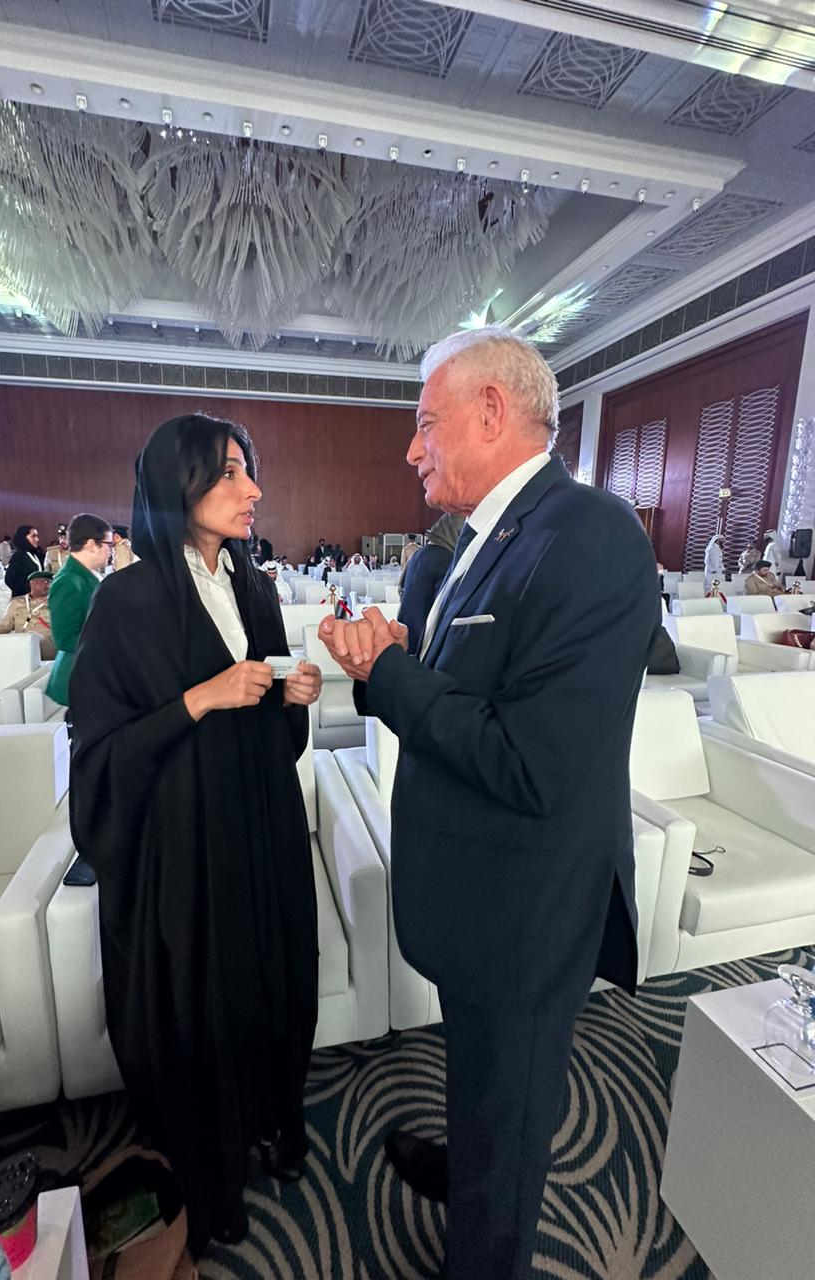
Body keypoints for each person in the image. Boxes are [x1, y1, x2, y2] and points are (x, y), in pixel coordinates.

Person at [316, 325, 658, 1280]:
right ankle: (473, 1163)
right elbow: (469, 686)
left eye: (426, 424)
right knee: (483, 1080)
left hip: (526, 910)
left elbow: (529, 761)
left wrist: (388, 673)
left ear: (492, 412)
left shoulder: (589, 536)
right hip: (478, 891)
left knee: (512, 1111)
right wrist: (396, 657)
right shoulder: (484, 539)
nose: (412, 449)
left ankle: (488, 1229)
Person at [69, 414, 322, 1259]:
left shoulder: (254, 587)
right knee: (205, 1002)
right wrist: (199, 699)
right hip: (186, 851)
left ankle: (272, 1120)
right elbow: (99, 755)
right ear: (179, 488)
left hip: (262, 827)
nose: (254, 491)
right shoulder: (125, 602)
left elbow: (275, 724)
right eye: (231, 475)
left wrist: (291, 695)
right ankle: (213, 1177)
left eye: (249, 472)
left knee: (272, 974)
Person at [45, 513, 113, 707]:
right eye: (109, 545)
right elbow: (65, 638)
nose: (111, 551)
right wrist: (112, 644)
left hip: (95, 674)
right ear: (91, 544)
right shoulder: (68, 581)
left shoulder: (87, 574)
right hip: (81, 677)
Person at [398, 512, 466, 655]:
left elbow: (401, 587)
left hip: (407, 630)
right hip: (425, 639)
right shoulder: (447, 560)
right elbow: (446, 607)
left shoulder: (419, 554)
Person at [0, 571, 56, 659]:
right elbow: (3, 627)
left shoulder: (56, 602)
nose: (49, 585)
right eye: (46, 582)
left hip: (48, 644)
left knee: (32, 638)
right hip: (21, 643)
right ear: (33, 583)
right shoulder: (16, 603)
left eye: (51, 582)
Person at [5, 526, 45, 598]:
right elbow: (9, 580)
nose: (37, 539)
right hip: (24, 599)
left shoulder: (36, 554)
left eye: (37, 536)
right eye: (33, 536)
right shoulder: (18, 556)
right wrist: (29, 590)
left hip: (38, 597)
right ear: (23, 538)